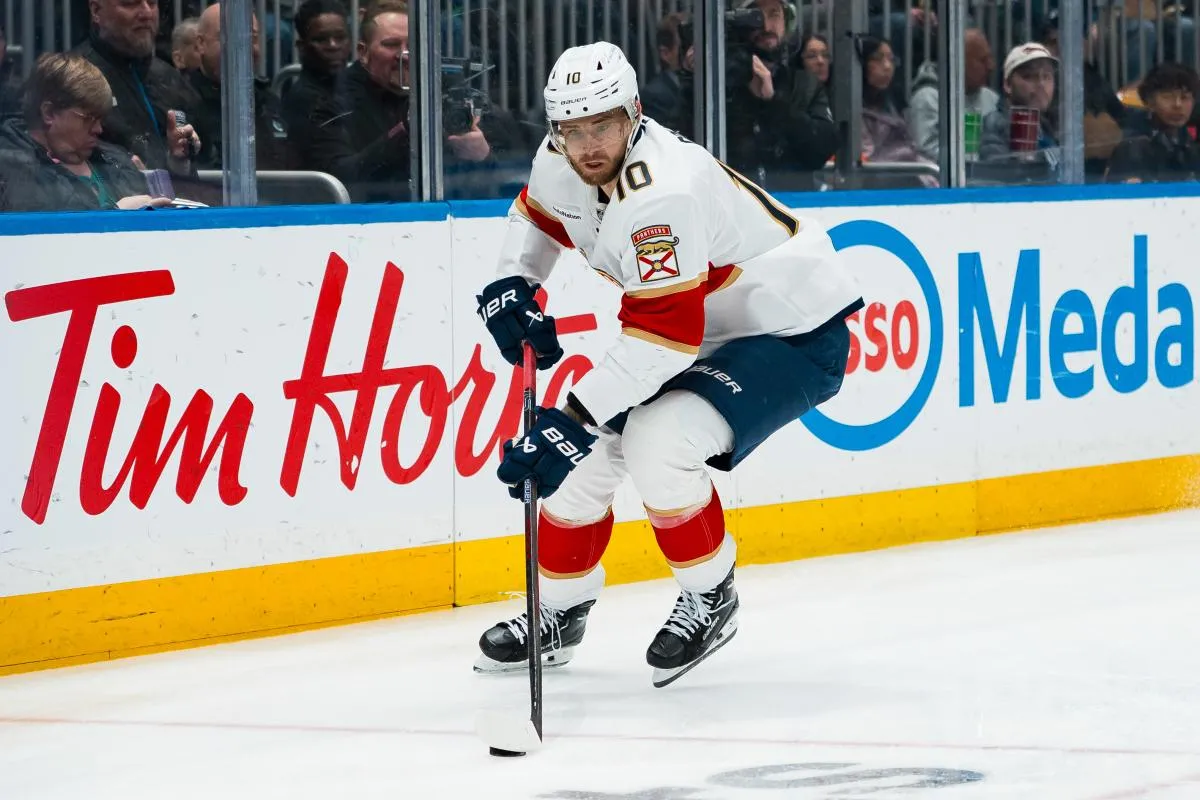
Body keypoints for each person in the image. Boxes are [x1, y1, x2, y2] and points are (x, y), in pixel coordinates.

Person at [472, 43, 863, 687]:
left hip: (789, 331)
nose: (588, 144)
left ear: (636, 114)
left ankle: (712, 598)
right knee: (583, 463)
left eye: (604, 124)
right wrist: (513, 282)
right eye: (573, 129)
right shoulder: (559, 158)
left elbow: (661, 339)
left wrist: (569, 416)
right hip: (699, 329)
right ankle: (560, 613)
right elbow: (538, 218)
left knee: (657, 442)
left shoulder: (664, 193)